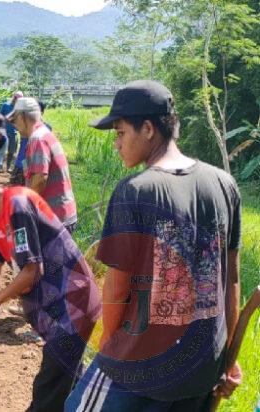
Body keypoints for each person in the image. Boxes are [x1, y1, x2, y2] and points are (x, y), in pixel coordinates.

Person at [65, 80, 243, 410]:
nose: (117, 144)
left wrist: (108, 348)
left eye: (120, 133)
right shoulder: (224, 184)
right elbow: (230, 279)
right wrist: (227, 353)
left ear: (147, 128)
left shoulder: (134, 190)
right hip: (203, 367)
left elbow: (118, 288)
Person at [0, 157, 101, 411]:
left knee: (46, 396)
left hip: (73, 305)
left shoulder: (18, 204)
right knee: (68, 389)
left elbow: (31, 270)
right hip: (54, 312)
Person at [8, 97, 77, 233]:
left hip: (54, 219)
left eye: (14, 120)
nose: (14, 125)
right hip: (60, 216)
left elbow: (40, 179)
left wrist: (24, 210)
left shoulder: (38, 139)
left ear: (22, 117)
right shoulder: (44, 134)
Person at [11, 99, 52, 184]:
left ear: (42, 112)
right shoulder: (25, 125)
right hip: (23, 163)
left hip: (35, 166)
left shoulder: (46, 128)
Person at [0, 91, 23, 172]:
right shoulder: (6, 105)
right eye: (16, 98)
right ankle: (0, 166)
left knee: (12, 151)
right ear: (14, 97)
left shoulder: (20, 109)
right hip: (4, 132)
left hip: (14, 133)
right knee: (2, 150)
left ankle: (9, 167)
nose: (17, 100)